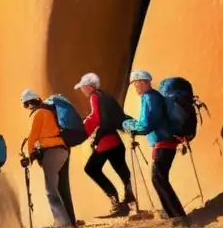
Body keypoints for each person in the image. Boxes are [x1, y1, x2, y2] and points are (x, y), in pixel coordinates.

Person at [123, 70, 186, 219]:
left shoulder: (149, 98)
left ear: (142, 82)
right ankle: (174, 214)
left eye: (135, 84)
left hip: (163, 142)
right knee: (159, 179)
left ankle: (177, 216)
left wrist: (128, 124)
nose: (135, 88)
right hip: (164, 141)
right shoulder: (154, 96)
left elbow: (145, 125)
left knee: (158, 178)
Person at [75, 72, 136, 216]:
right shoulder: (105, 96)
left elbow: (97, 118)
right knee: (122, 170)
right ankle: (130, 203)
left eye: (83, 87)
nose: (82, 90)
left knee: (91, 169)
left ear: (89, 87)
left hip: (106, 142)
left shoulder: (95, 96)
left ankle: (116, 203)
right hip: (115, 140)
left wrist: (90, 133)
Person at [22, 89, 75, 228]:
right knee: (62, 189)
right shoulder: (49, 111)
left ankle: (63, 225)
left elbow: (33, 136)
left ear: (28, 103)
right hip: (63, 150)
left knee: (51, 191)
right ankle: (71, 222)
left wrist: (29, 155)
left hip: (52, 153)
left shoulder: (38, 113)